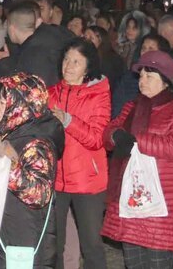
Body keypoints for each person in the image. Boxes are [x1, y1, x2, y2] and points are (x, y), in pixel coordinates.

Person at [102, 51, 173, 269]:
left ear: (165, 82)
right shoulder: (131, 107)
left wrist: (137, 140)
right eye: (141, 76)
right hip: (130, 202)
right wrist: (115, 136)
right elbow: (109, 132)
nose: (142, 81)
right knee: (133, 264)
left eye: (149, 77)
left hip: (160, 206)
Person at [0, 72, 65, 269]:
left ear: (22, 107)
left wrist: (11, 166)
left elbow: (39, 194)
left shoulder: (38, 144)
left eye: (2, 103)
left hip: (23, 238)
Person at [47, 39, 110, 269]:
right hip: (56, 178)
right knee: (54, 244)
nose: (69, 65)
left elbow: (96, 138)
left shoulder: (98, 95)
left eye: (76, 61)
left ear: (87, 67)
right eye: (66, 59)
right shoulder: (50, 93)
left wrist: (68, 121)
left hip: (87, 180)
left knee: (91, 244)